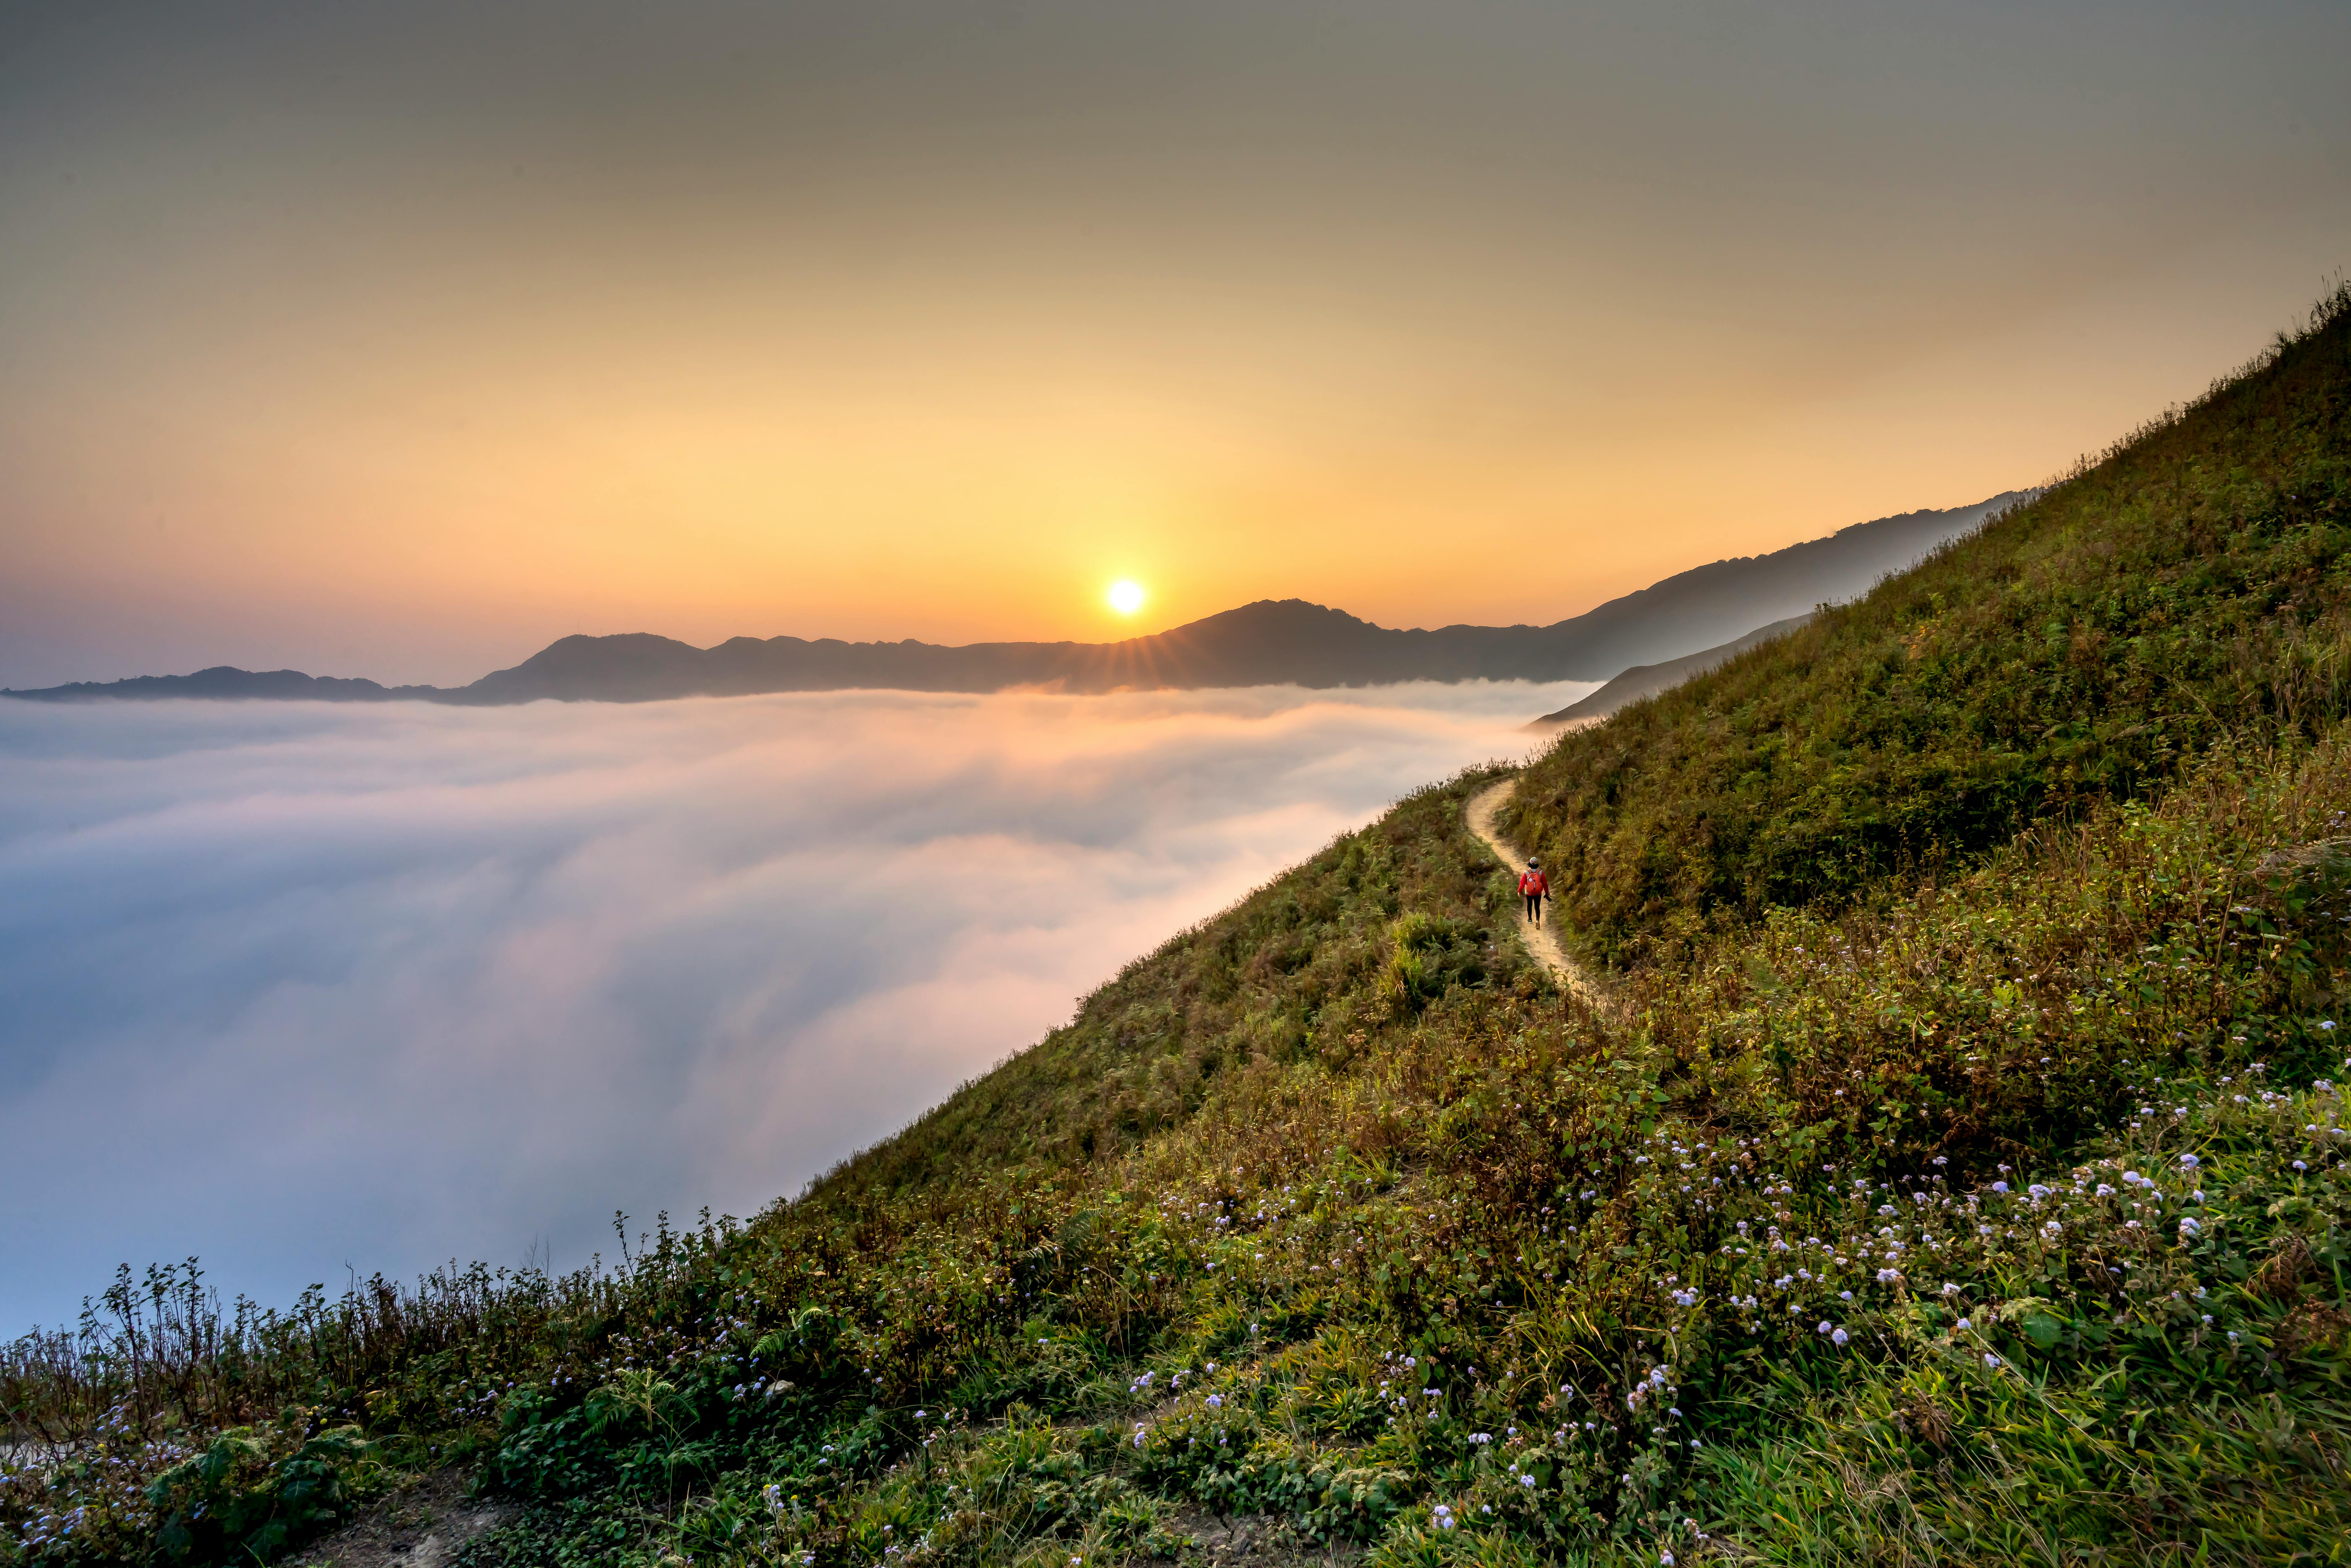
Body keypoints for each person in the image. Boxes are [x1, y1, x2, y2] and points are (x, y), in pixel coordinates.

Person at [1518, 857, 1549, 924]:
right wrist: (1547, 892)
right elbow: (1545, 884)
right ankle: (1537, 920)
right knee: (1537, 907)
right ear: (1537, 864)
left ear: (1530, 864)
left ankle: (1530, 920)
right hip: (1538, 893)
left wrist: (1519, 891)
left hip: (1529, 893)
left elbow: (1522, 883)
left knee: (1529, 905)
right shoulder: (1540, 873)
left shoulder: (1526, 873)